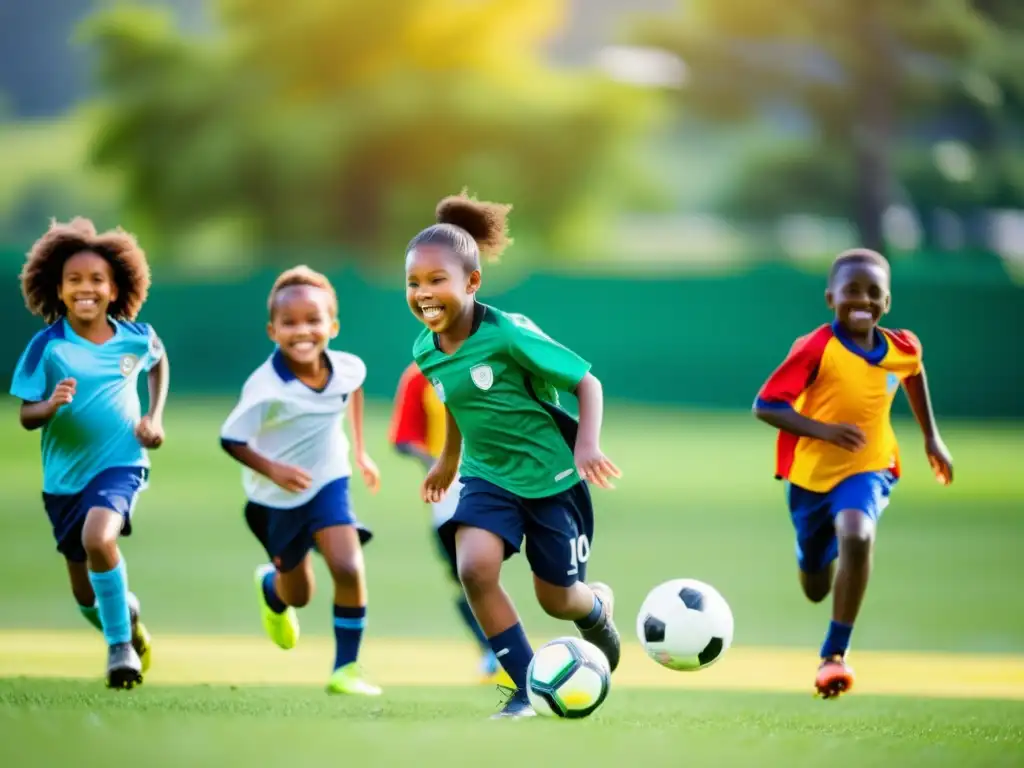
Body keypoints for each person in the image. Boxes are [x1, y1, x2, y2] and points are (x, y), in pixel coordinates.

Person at [405, 192, 622, 718]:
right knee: (475, 569)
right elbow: (459, 403)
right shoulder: (424, 350)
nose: (424, 293)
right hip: (486, 476)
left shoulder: (507, 334)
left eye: (437, 281)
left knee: (557, 598)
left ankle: (596, 607)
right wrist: (448, 461)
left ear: (471, 283)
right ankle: (525, 686)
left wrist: (587, 445)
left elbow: (586, 382)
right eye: (413, 283)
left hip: (551, 478)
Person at [753, 248, 954, 699]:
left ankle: (834, 655)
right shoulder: (816, 347)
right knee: (814, 584)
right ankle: (812, 557)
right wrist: (824, 431)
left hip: (870, 466)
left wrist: (930, 438)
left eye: (873, 292)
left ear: (887, 302)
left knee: (859, 535)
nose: (861, 300)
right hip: (810, 478)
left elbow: (914, 373)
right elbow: (766, 405)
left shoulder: (903, 346)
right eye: (851, 291)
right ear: (830, 298)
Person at [10, 217, 168, 689]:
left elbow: (158, 365)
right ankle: (127, 622)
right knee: (85, 597)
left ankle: (120, 652)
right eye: (74, 280)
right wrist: (50, 404)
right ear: (57, 290)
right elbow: (25, 415)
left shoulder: (136, 337)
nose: (86, 289)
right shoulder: (48, 346)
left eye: (97, 280)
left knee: (101, 539)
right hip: (63, 482)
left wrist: (154, 417)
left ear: (116, 287)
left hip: (121, 464)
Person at [220, 266, 382, 696]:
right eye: (289, 323)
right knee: (300, 593)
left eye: (313, 320)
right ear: (273, 330)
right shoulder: (265, 386)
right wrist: (273, 470)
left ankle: (346, 668)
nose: (302, 331)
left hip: (329, 479)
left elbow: (356, 389)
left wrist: (361, 450)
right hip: (275, 497)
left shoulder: (348, 368)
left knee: (347, 566)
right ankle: (272, 588)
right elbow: (231, 439)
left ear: (333, 325)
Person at [388, 361, 506, 684]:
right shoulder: (419, 373)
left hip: (505, 476)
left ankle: (505, 649)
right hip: (451, 491)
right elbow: (403, 436)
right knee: (466, 573)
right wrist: (439, 465)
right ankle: (494, 652)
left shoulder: (499, 357)